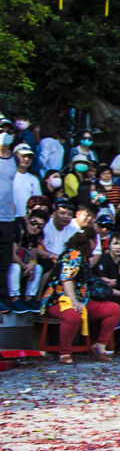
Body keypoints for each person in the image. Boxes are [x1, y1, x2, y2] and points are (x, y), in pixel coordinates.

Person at [39, 229, 120, 364]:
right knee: (72, 315)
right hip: (58, 300)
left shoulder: (83, 258)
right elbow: (67, 279)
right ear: (91, 242)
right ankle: (65, 352)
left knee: (113, 309)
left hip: (83, 300)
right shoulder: (73, 255)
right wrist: (74, 301)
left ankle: (99, 345)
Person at [9, 209, 50, 312]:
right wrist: (25, 266)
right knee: (16, 267)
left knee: (38, 268)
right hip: (9, 264)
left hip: (23, 263)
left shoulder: (33, 235)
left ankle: (29, 299)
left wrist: (32, 263)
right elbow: (12, 255)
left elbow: (33, 254)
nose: (35, 227)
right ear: (28, 219)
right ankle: (14, 299)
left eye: (40, 226)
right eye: (33, 223)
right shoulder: (18, 227)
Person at [0, 117, 16, 313]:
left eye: (7, 131)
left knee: (4, 262)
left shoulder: (15, 159)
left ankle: (2, 298)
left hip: (8, 217)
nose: (4, 134)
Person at [12, 144, 40, 220]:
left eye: (29, 157)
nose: (27, 159)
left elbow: (37, 202)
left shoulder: (34, 179)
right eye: (23, 156)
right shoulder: (7, 175)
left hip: (28, 220)